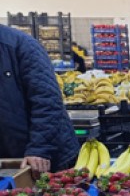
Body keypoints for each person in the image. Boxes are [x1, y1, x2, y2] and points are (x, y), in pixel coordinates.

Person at [0, 24, 79, 175]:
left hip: (44, 157)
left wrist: (39, 148)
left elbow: (47, 101)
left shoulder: (21, 45)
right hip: (8, 161)